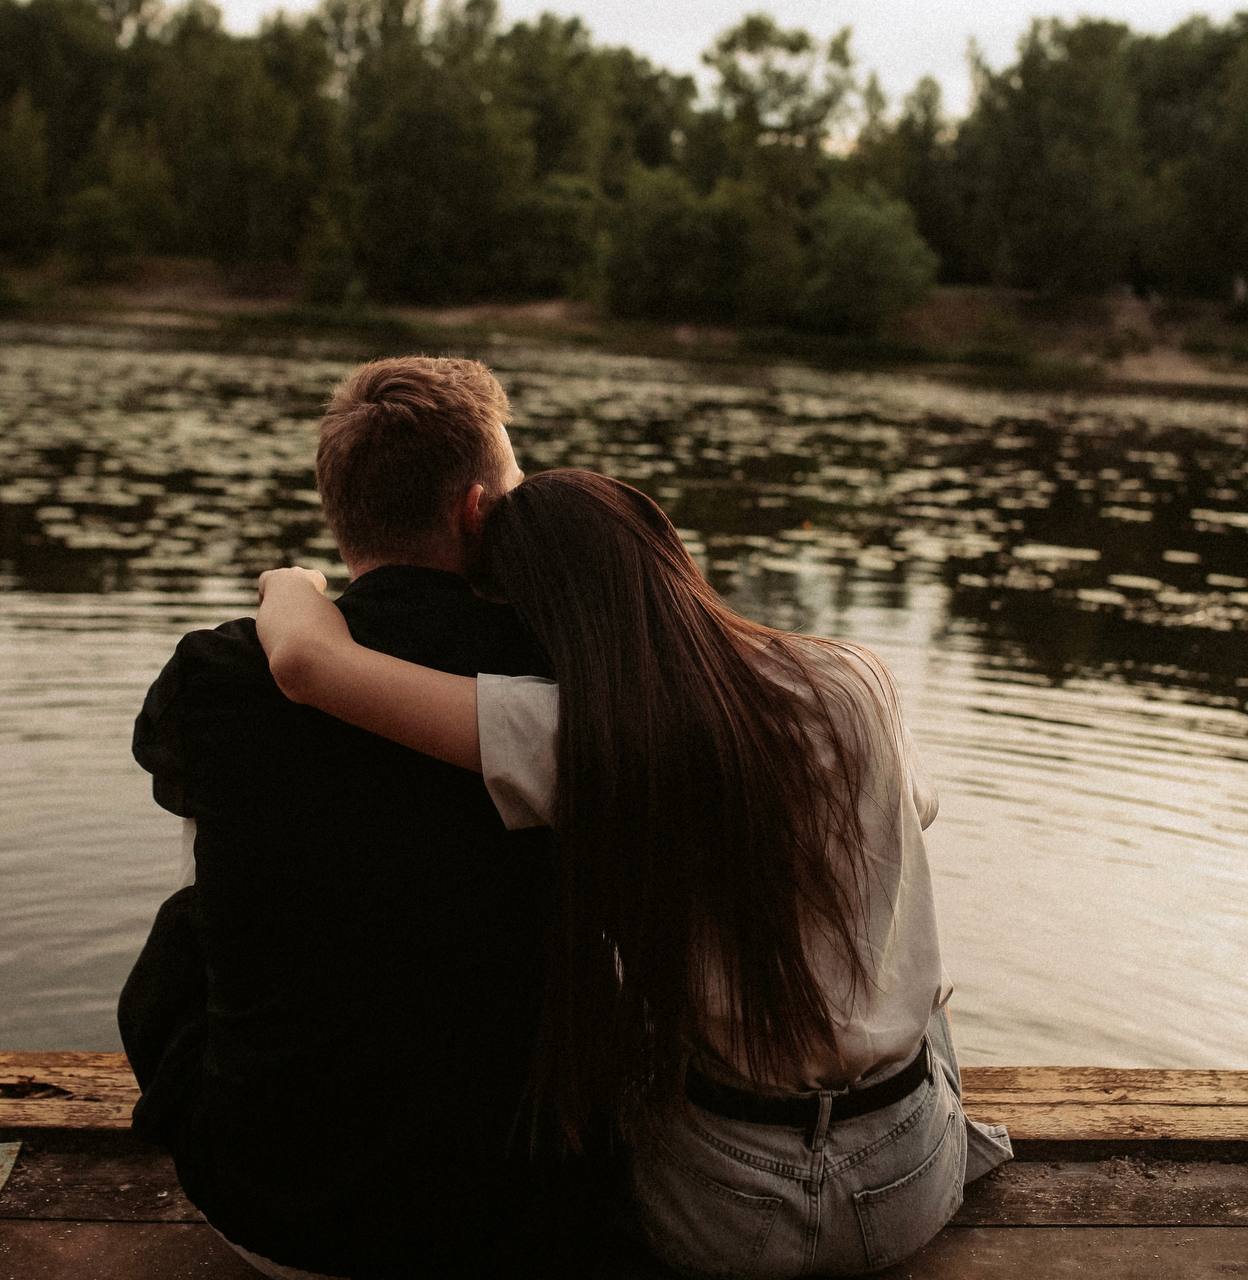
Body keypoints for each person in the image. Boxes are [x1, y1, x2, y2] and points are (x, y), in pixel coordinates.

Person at [253, 468, 1013, 1279]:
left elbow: (304, 661)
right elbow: (916, 812)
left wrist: (291, 578)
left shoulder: (581, 735)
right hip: (909, 1188)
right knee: (902, 960)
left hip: (722, 1209)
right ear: (667, 555)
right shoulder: (853, 680)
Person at [118, 358, 606, 1279]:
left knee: (194, 919)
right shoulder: (572, 679)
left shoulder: (217, 675)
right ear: (475, 513)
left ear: (342, 514)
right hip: (519, 1216)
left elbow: (174, 771)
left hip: (275, 1216)